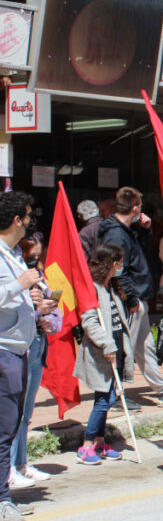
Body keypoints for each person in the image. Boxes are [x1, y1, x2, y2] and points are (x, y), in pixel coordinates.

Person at [97, 187, 163, 407]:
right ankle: (114, 393)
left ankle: (162, 389)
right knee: (124, 345)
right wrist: (131, 299)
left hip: (136, 296)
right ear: (135, 208)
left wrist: (145, 230)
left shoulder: (124, 230)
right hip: (128, 298)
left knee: (144, 346)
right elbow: (117, 269)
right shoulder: (116, 233)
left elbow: (138, 253)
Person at [0, 191, 55, 519]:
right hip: (4, 350)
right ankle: (2, 499)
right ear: (17, 219)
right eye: (29, 216)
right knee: (5, 428)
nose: (31, 223)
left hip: (17, 350)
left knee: (9, 425)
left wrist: (36, 306)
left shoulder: (14, 255)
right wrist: (19, 285)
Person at [8, 235, 61, 488]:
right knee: (11, 413)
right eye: (29, 257)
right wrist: (36, 308)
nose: (33, 263)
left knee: (27, 411)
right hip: (18, 346)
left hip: (39, 345)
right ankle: (7, 468)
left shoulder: (40, 277)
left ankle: (21, 463)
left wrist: (50, 317)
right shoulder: (13, 278)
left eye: (37, 258)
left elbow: (56, 314)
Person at [74, 244, 130, 467]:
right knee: (102, 400)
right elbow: (90, 322)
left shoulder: (111, 287)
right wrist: (106, 344)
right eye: (120, 262)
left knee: (108, 398)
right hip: (102, 353)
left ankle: (100, 441)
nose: (122, 266)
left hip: (115, 350)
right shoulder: (94, 289)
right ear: (113, 263)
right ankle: (86, 445)